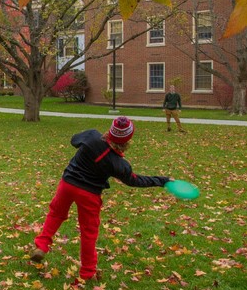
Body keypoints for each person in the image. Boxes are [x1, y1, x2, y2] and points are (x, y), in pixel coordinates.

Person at [29, 117, 169, 281]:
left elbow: (74, 139)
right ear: (127, 140)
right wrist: (162, 180)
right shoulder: (119, 164)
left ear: (110, 131)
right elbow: (134, 180)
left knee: (56, 214)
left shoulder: (91, 137)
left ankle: (42, 245)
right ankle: (87, 273)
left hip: (67, 184)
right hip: (89, 194)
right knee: (88, 232)